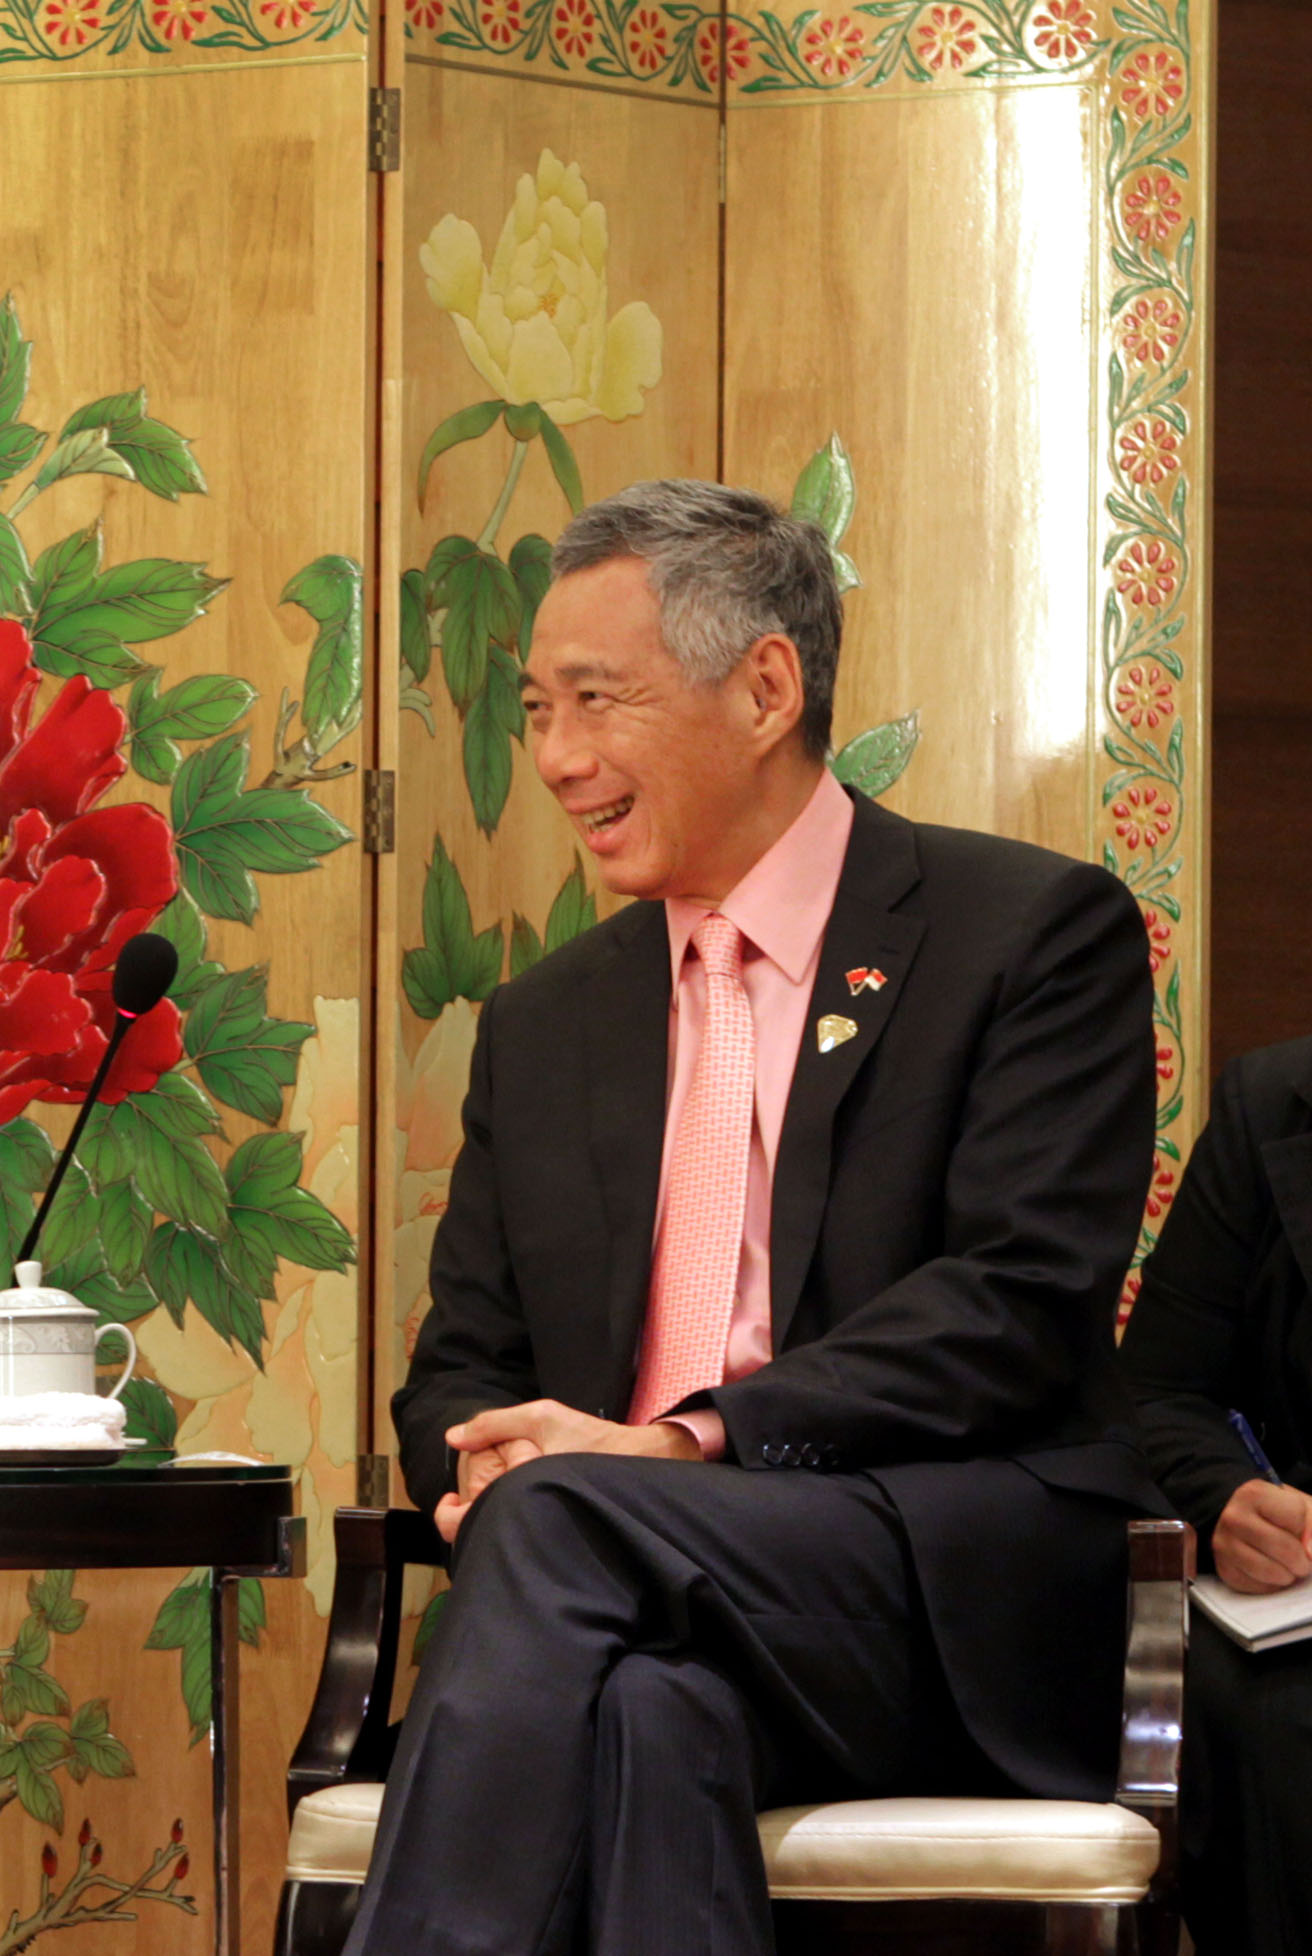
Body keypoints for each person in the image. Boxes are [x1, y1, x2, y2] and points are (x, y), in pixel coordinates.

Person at [349, 480, 1163, 1956]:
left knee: (567, 1523)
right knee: (655, 1716)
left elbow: (1018, 1304)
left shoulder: (1028, 935)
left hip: (918, 1586)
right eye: (537, 711)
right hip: (633, 1596)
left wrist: (672, 1446)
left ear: (766, 686)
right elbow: (458, 1370)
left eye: (596, 700)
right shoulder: (546, 1023)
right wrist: (490, 1459)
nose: (556, 758)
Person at [1116, 1035, 1312, 1956]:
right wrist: (1226, 1495)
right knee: (1265, 1718)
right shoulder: (1274, 1103)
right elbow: (1158, 1390)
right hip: (1299, 1606)